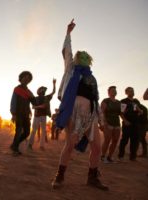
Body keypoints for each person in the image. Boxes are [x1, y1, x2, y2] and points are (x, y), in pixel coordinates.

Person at [51, 20, 108, 190]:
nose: (82, 56)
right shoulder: (70, 69)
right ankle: (59, 176)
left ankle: (92, 177)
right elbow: (67, 51)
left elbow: (95, 98)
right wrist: (68, 33)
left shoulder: (92, 78)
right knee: (70, 144)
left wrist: (101, 120)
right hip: (73, 111)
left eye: (85, 55)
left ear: (89, 61)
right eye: (79, 55)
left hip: (91, 114)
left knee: (97, 147)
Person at [10, 71, 35, 156]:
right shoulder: (17, 89)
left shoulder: (28, 91)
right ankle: (15, 149)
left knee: (27, 132)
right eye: (24, 77)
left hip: (26, 114)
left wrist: (30, 111)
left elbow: (33, 102)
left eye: (28, 78)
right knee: (18, 131)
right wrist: (13, 114)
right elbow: (13, 102)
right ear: (21, 78)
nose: (26, 79)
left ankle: (14, 145)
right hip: (18, 113)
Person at [27, 79, 56, 150]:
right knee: (34, 130)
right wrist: (39, 106)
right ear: (39, 91)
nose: (43, 91)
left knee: (43, 131)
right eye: (42, 90)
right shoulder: (36, 98)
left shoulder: (46, 97)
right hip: (37, 116)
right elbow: (33, 107)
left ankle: (41, 146)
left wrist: (54, 84)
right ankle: (30, 144)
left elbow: (53, 92)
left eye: (44, 90)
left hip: (43, 116)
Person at [100, 86, 125, 163]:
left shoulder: (119, 102)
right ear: (109, 92)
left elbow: (121, 113)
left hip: (117, 123)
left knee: (115, 140)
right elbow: (102, 112)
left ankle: (109, 157)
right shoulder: (105, 101)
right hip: (108, 122)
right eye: (112, 90)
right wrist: (103, 123)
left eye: (115, 90)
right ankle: (102, 156)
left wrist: (125, 120)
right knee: (107, 140)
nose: (114, 92)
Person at [118, 87, 142, 161]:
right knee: (124, 140)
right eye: (130, 91)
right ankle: (121, 155)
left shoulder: (136, 101)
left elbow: (137, 111)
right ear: (126, 92)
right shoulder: (124, 101)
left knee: (135, 141)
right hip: (127, 123)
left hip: (135, 123)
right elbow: (121, 113)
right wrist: (125, 121)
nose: (132, 92)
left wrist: (140, 111)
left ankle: (133, 157)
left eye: (133, 91)